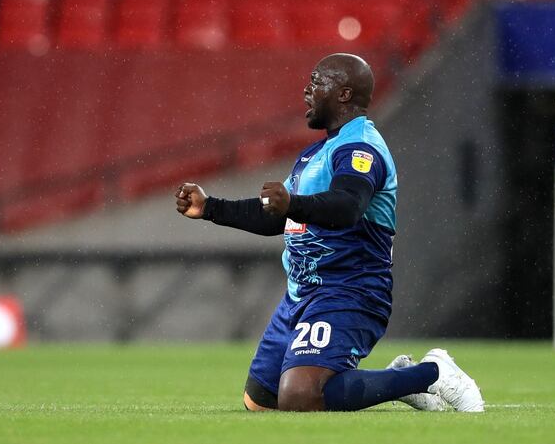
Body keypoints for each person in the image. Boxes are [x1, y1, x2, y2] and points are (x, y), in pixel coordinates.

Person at [175, 53, 484, 412]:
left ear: (343, 93)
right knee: (261, 402)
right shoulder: (315, 155)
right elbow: (275, 217)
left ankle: (432, 374)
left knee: (301, 396)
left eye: (317, 81)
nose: (307, 89)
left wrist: (292, 203)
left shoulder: (361, 148)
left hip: (349, 291)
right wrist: (210, 207)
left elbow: (347, 206)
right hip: (302, 296)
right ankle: (395, 381)